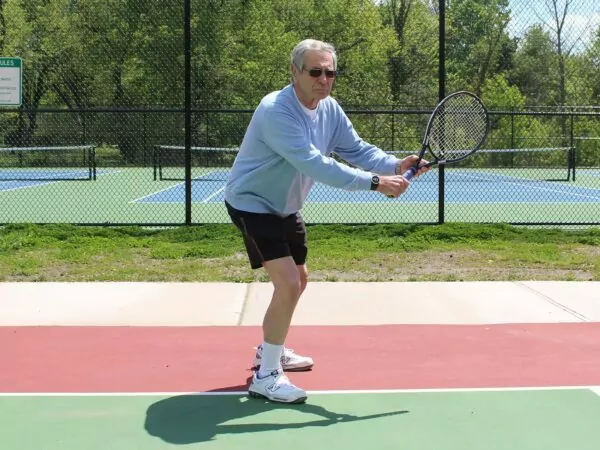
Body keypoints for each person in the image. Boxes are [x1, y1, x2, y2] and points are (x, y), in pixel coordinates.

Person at [224, 38, 429, 404]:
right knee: (287, 282)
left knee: (298, 280)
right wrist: (376, 183)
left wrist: (395, 165)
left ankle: (271, 348)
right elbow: (314, 164)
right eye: (315, 71)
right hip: (252, 202)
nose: (323, 79)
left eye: (330, 72)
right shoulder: (276, 111)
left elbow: (356, 148)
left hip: (286, 205)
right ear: (295, 72)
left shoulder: (329, 108)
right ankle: (267, 375)